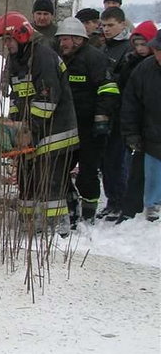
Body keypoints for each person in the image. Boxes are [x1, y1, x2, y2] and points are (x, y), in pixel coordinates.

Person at [0, 12, 78, 236]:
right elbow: (16, 97)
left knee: (49, 180)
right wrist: (15, 128)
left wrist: (29, 130)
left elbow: (46, 99)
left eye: (8, 39)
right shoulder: (16, 60)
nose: (6, 45)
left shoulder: (43, 57)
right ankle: (31, 223)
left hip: (55, 131)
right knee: (26, 178)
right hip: (32, 131)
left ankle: (59, 227)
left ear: (21, 36)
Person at [54, 17, 119, 224]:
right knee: (61, 168)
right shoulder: (60, 59)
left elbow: (109, 89)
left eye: (66, 39)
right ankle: (71, 203)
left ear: (78, 39)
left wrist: (101, 117)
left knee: (88, 173)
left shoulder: (94, 58)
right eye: (61, 39)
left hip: (91, 127)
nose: (62, 43)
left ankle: (89, 212)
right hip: (68, 126)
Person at [117, 21, 158, 222]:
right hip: (146, 132)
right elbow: (130, 103)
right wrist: (131, 132)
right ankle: (137, 211)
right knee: (140, 174)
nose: (141, 49)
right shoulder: (141, 69)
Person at [98, 6, 132, 220]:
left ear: (122, 25)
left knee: (117, 160)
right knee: (105, 160)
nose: (107, 29)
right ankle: (112, 200)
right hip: (105, 111)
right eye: (104, 26)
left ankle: (120, 201)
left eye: (111, 25)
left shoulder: (127, 49)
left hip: (120, 112)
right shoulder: (105, 48)